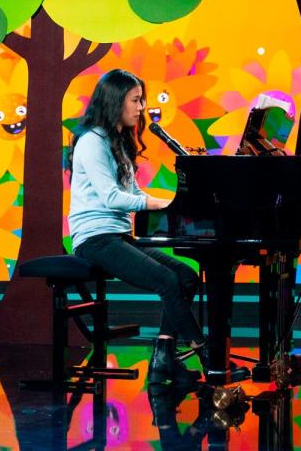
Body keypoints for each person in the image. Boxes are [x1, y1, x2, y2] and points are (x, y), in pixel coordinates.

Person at [68, 68, 207, 384]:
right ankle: (203, 349)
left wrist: (171, 201)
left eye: (141, 100)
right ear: (116, 101)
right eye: (136, 100)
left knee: (185, 277)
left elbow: (134, 194)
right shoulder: (92, 142)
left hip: (117, 235)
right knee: (166, 281)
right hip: (95, 239)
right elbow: (112, 198)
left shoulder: (117, 142)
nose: (142, 107)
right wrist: (162, 204)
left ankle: (163, 357)